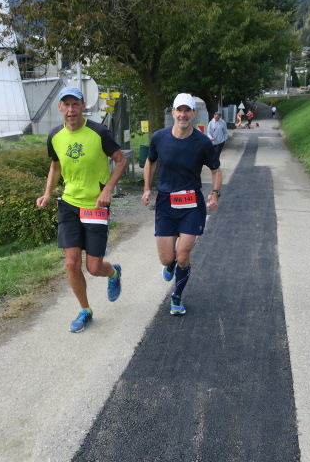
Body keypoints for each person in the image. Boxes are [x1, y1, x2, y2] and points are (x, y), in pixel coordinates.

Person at [37, 86, 128, 332]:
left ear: (83, 106)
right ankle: (85, 310)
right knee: (71, 263)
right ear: (60, 108)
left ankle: (113, 273)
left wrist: (108, 189)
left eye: (75, 104)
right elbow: (55, 166)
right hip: (68, 204)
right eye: (66, 105)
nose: (71, 109)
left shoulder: (99, 132)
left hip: (95, 206)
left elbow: (121, 160)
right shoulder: (55, 136)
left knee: (94, 268)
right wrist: (47, 193)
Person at [141, 93, 223, 316]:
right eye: (180, 110)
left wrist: (215, 193)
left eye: (188, 110)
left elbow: (216, 170)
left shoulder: (202, 142)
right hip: (166, 202)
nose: (183, 115)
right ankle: (170, 264)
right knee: (168, 258)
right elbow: (150, 162)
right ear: (173, 112)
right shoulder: (159, 137)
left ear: (194, 113)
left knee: (184, 254)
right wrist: (147, 188)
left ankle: (176, 297)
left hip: (191, 203)